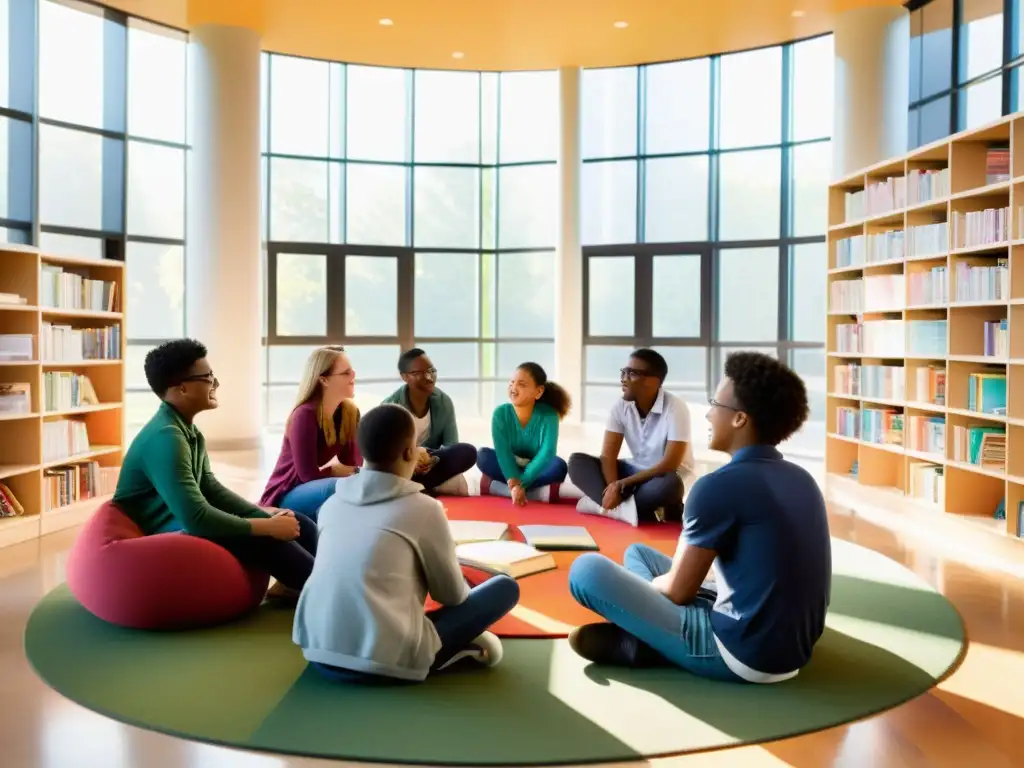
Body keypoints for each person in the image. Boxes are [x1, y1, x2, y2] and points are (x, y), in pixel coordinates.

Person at [566, 351, 831, 685]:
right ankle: (644, 637)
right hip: (794, 649)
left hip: (742, 653)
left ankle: (644, 640)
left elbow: (678, 593)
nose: (708, 415)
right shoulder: (803, 478)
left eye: (716, 405)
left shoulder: (716, 486)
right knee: (638, 554)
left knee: (586, 571)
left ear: (739, 419)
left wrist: (648, 594)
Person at [294, 403, 521, 683]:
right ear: (410, 452)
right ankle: (448, 649)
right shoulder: (424, 509)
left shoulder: (330, 504)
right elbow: (451, 596)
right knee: (504, 587)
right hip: (389, 663)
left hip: (319, 653)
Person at [113, 339, 317, 600]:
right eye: (208, 377)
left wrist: (266, 517)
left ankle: (308, 583)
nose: (215, 383)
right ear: (182, 389)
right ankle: (325, 591)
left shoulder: (187, 431)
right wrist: (266, 527)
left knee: (299, 522)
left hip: (182, 523)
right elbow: (196, 518)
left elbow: (211, 489)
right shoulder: (166, 438)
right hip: (164, 536)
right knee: (266, 539)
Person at [568, 348, 694, 527]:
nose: (623, 378)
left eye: (632, 373)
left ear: (653, 382)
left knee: (671, 485)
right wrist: (613, 487)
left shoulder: (675, 407)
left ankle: (605, 506)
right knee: (577, 462)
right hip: (632, 470)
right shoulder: (620, 407)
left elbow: (669, 464)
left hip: (661, 476)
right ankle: (627, 509)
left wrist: (622, 484)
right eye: (624, 371)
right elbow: (608, 456)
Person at [260, 346, 362, 522]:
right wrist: (335, 470)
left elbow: (353, 465)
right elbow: (307, 475)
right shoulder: (304, 414)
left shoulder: (349, 413)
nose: (353, 375)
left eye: (352, 370)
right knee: (336, 487)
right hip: (287, 492)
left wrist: (349, 471)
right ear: (324, 380)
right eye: (346, 373)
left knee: (353, 487)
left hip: (312, 488)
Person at [381, 348, 477, 494]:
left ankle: (415, 489)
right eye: (419, 373)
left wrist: (433, 459)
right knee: (458, 485)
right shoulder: (390, 408)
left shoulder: (443, 401)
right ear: (404, 377)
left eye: (431, 371)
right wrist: (412, 461)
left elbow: (451, 446)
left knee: (468, 452)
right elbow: (385, 456)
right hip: (402, 468)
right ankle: (423, 488)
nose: (429, 377)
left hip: (431, 464)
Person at [476, 362, 570, 505]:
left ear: (538, 392)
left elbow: (547, 453)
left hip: (536, 468)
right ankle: (536, 493)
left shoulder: (549, 416)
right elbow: (503, 453)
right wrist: (514, 482)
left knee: (559, 466)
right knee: (482, 455)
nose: (514, 387)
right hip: (509, 467)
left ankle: (498, 488)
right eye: (512, 382)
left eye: (521, 384)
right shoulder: (500, 413)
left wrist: (522, 483)